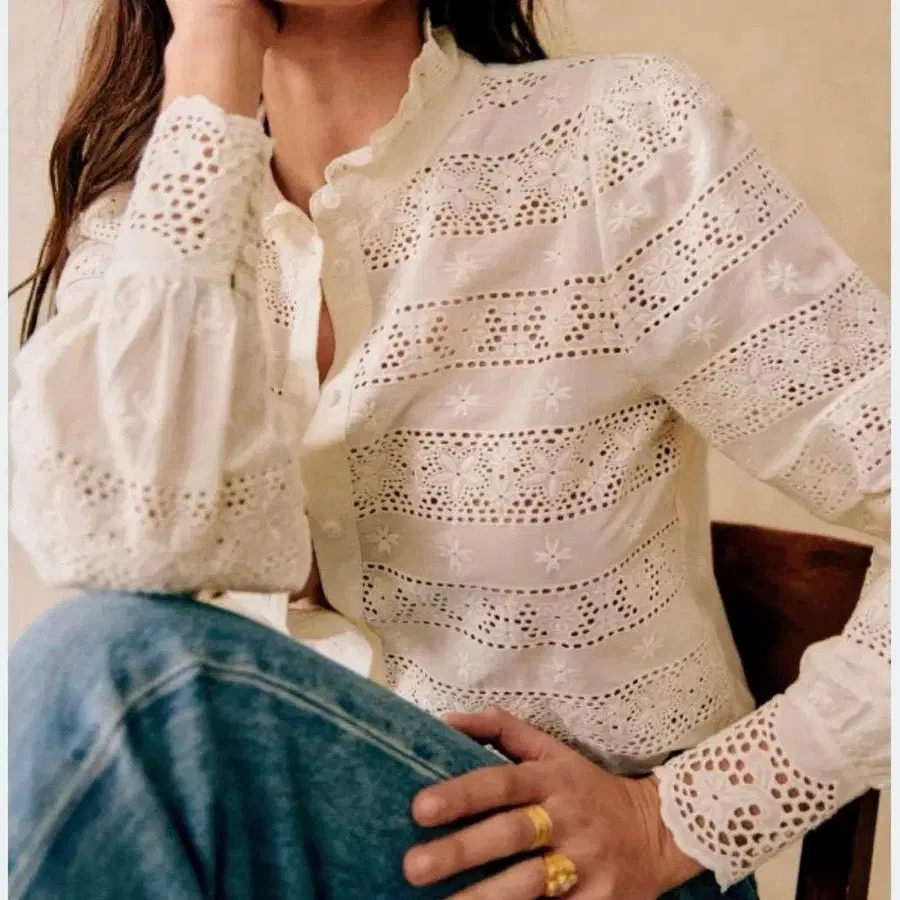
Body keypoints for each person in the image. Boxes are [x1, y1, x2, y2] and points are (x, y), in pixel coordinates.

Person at [9, 0, 889, 898]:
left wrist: (683, 815)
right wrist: (208, 61)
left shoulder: (616, 144)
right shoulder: (149, 237)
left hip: (580, 879)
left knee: (105, 671)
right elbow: (131, 546)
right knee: (99, 664)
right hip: (294, 861)